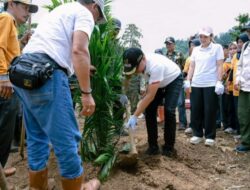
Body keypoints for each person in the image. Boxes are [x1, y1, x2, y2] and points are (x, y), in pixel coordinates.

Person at [13, 0, 106, 189]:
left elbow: (54, 48)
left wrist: (82, 68)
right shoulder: (85, 13)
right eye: (98, 18)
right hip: (48, 75)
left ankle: (37, 186)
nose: (95, 21)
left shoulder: (62, 10)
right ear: (94, 6)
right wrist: (86, 93)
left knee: (37, 138)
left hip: (24, 72)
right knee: (66, 140)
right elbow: (79, 50)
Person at [0, 0, 38, 178]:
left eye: (29, 9)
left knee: (6, 127)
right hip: (4, 86)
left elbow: (10, 52)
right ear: (11, 4)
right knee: (3, 129)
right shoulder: (6, 18)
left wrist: (21, 43)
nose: (28, 12)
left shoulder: (11, 24)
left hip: (8, 83)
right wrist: (3, 77)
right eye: (24, 7)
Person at [124, 47, 183, 157]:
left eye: (136, 68)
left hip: (173, 79)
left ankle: (169, 147)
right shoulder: (137, 62)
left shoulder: (155, 66)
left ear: (143, 59)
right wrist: (123, 92)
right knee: (150, 110)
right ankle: (153, 146)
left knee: (169, 110)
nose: (136, 71)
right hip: (159, 82)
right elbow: (128, 78)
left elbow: (150, 96)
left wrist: (135, 116)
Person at [184, 26, 224, 146]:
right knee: (196, 109)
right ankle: (197, 134)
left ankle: (210, 136)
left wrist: (219, 81)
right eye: (201, 36)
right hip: (196, 83)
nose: (203, 39)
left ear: (211, 37)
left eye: (205, 36)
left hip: (211, 83)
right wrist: (188, 79)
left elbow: (220, 65)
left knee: (210, 110)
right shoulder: (196, 50)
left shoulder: (217, 48)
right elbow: (192, 66)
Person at [165, 36, 187, 130]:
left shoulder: (179, 54)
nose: (168, 45)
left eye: (170, 43)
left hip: (178, 82)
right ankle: (169, 123)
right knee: (168, 103)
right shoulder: (164, 57)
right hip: (168, 82)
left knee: (180, 102)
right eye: (167, 44)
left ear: (174, 44)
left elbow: (184, 67)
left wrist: (184, 78)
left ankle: (182, 123)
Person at [234, 25, 250, 153]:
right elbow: (239, 66)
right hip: (244, 87)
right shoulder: (245, 46)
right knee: (243, 114)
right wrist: (237, 79)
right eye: (248, 31)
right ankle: (246, 142)